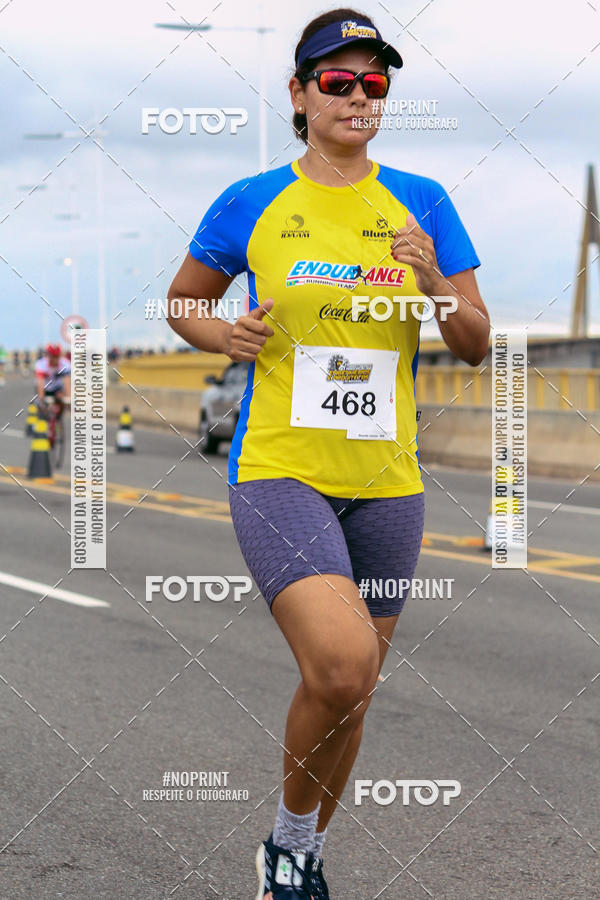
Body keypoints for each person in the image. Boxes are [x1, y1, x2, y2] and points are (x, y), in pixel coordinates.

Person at [167, 8, 490, 898]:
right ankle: (291, 846)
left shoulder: (423, 200)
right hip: (281, 468)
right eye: (337, 80)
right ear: (301, 94)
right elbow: (183, 299)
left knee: (357, 691)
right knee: (341, 665)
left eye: (373, 81)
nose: (357, 95)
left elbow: (473, 342)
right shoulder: (252, 200)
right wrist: (219, 333)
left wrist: (432, 285)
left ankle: (292, 852)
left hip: (389, 481)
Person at [35, 343, 71, 419]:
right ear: (48, 355)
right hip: (45, 389)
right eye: (53, 356)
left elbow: (67, 381)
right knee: (42, 409)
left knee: (62, 401)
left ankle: (58, 420)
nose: (55, 359)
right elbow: (40, 384)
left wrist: (68, 397)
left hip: (57, 389)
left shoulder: (65, 363)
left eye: (57, 356)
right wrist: (41, 400)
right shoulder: (41, 364)